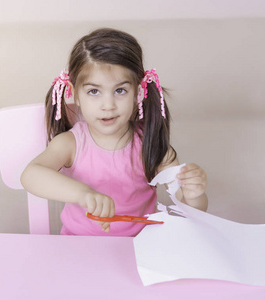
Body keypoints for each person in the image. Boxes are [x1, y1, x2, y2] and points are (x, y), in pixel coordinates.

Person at [21, 28, 208, 236]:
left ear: (138, 92)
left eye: (120, 90)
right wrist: (82, 194)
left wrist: (194, 195)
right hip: (77, 247)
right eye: (94, 91)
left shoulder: (150, 144)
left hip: (140, 249)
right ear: (75, 95)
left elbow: (192, 210)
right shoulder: (70, 143)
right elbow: (31, 175)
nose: (108, 105)